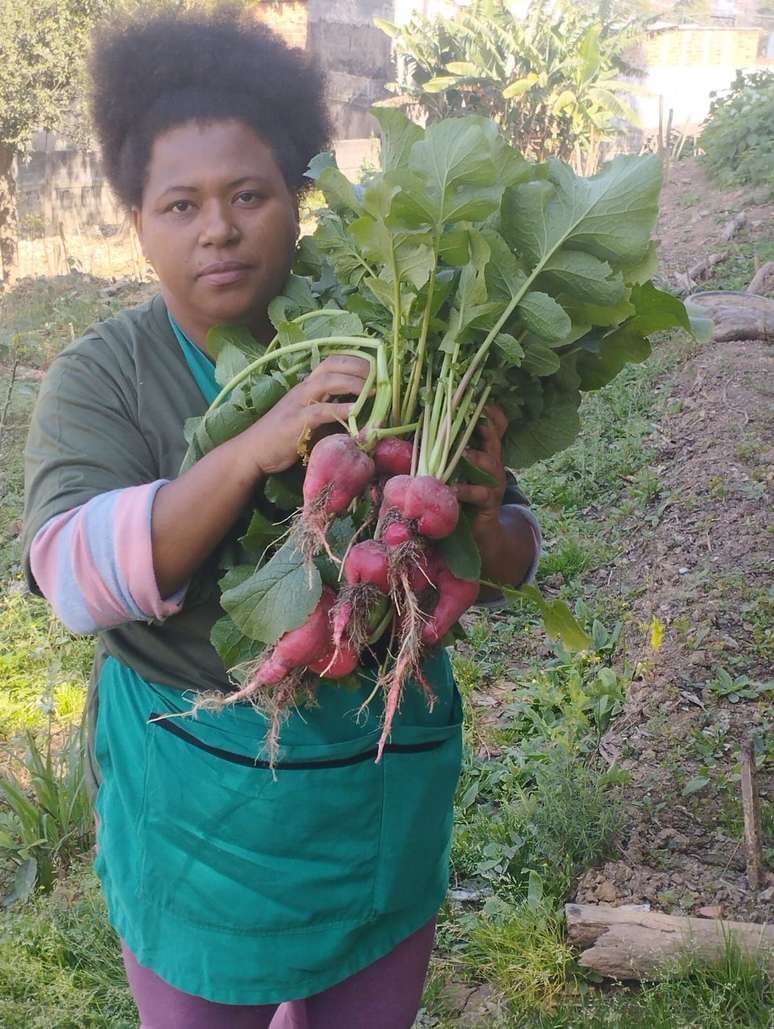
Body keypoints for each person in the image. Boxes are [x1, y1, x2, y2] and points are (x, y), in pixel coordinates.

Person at [22, 10, 541, 1028]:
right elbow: (73, 580)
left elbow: (519, 549)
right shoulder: (101, 380)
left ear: (299, 200)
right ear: (137, 218)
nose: (218, 228)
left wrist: (481, 505)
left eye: (249, 195)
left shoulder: (394, 339)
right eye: (180, 204)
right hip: (196, 796)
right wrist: (249, 450)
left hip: (376, 786)